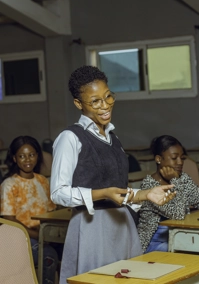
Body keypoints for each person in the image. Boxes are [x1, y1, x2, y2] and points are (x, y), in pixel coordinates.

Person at [50, 65, 176, 283]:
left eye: (108, 97)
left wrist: (146, 194)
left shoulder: (113, 138)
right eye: (95, 101)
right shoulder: (70, 138)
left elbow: (117, 190)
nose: (105, 105)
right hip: (92, 227)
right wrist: (102, 194)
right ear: (79, 104)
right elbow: (58, 193)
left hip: (122, 223)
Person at [137, 135, 199, 254]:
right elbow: (178, 214)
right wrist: (175, 181)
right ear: (158, 159)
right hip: (154, 243)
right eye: (174, 158)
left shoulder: (182, 178)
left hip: (178, 235)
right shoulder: (149, 186)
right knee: (197, 251)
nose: (180, 162)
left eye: (182, 158)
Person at [0, 136, 59, 284]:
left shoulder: (43, 181)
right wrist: (37, 234)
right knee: (49, 255)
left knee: (71, 249)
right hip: (19, 238)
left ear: (38, 156)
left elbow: (51, 212)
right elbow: (9, 221)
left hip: (43, 234)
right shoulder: (9, 184)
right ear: (14, 158)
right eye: (22, 156)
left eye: (31, 155)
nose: (27, 160)